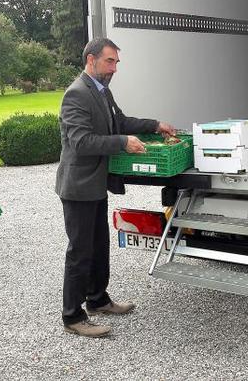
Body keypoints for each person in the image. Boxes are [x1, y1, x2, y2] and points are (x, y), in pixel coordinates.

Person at [55, 37, 175, 338]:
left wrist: (154, 124)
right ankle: (72, 316)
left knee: (99, 246)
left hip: (95, 184)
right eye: (110, 61)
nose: (114, 68)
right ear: (91, 60)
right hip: (78, 186)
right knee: (80, 251)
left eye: (116, 62)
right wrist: (122, 143)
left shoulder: (102, 91)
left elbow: (119, 121)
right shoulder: (76, 94)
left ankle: (98, 300)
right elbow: (81, 143)